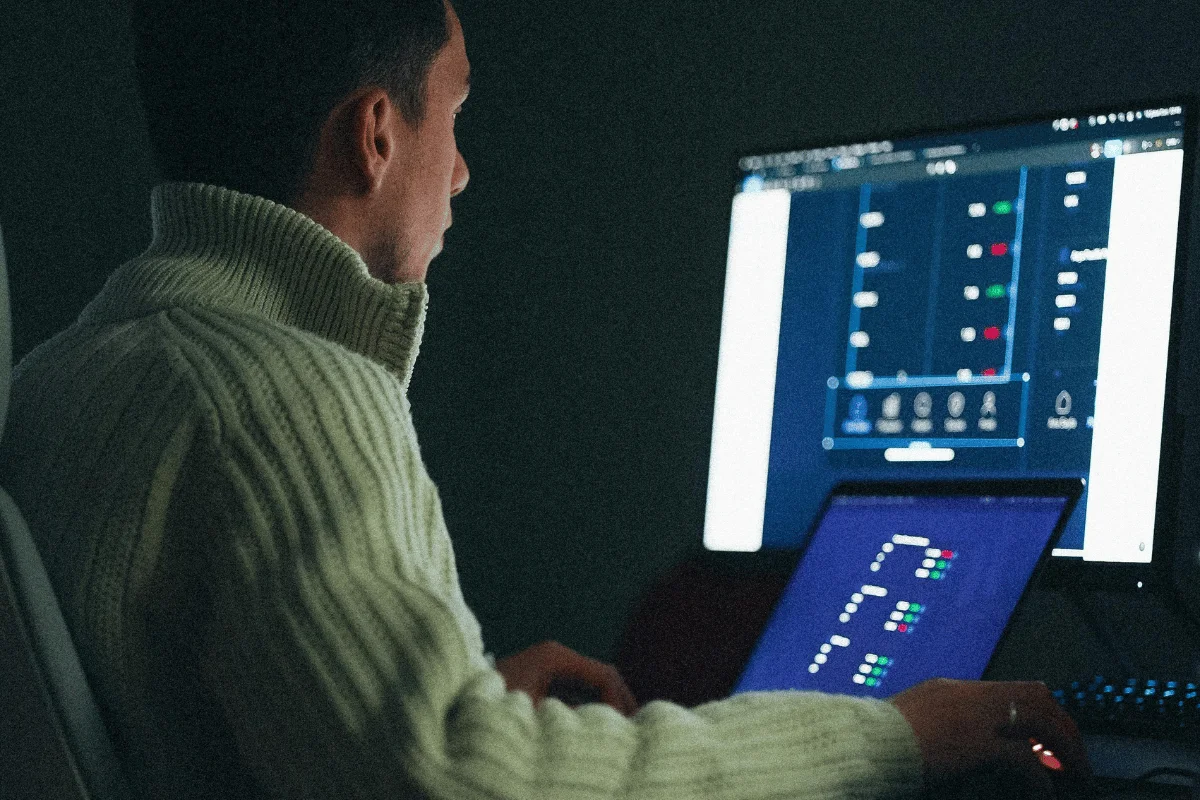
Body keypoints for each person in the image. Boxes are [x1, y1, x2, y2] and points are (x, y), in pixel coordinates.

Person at [0, 0, 1089, 797]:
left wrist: (453, 696)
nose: (462, 170)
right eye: (455, 116)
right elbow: (460, 785)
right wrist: (893, 737)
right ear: (376, 135)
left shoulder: (67, 373)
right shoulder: (290, 394)